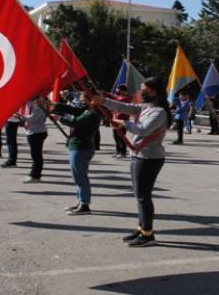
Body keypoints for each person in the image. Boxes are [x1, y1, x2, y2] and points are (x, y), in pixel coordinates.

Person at [94, 76, 170, 247]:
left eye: (144, 89)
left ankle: (148, 235)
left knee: (144, 196)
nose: (141, 92)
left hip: (149, 158)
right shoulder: (146, 107)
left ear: (154, 91)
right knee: (139, 195)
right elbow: (124, 106)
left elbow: (143, 129)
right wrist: (103, 100)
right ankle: (142, 228)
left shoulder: (159, 111)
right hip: (138, 155)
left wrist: (123, 123)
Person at [53, 91, 101, 215]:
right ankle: (80, 201)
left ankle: (85, 204)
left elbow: (75, 122)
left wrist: (60, 118)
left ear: (91, 100)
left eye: (82, 99)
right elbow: (70, 109)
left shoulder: (92, 114)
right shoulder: (84, 111)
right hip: (77, 147)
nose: (79, 102)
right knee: (77, 177)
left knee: (80, 177)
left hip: (82, 148)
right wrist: (49, 103)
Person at [22, 97, 49, 183]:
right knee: (35, 155)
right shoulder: (30, 103)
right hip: (32, 131)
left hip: (38, 132)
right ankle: (33, 174)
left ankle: (35, 176)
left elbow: (33, 118)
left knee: (36, 155)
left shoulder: (39, 104)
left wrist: (21, 117)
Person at [111, 85, 131, 158]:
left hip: (122, 121)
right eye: (117, 90)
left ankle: (123, 153)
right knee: (116, 137)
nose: (117, 91)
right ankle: (118, 151)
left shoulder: (127, 98)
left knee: (121, 137)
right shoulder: (117, 97)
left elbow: (118, 100)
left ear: (123, 91)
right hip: (115, 120)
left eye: (119, 90)